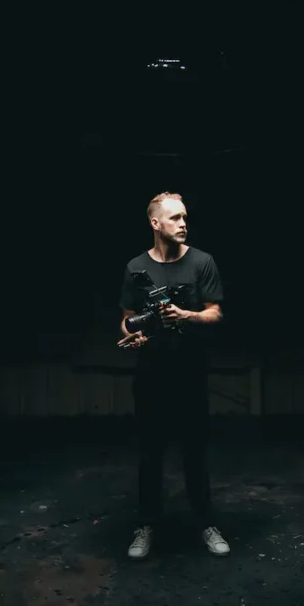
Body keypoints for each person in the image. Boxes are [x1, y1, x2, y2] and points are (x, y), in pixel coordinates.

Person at [117, 192, 231, 559]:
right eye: (175, 218)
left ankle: (206, 522)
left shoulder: (202, 262)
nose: (183, 224)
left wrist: (188, 316)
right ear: (155, 224)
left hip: (190, 374)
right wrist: (130, 333)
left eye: (185, 217)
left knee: (194, 453)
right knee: (150, 454)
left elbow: (216, 313)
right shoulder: (135, 266)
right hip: (151, 375)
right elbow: (126, 316)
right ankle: (146, 524)